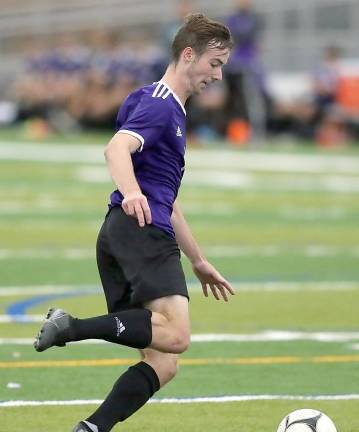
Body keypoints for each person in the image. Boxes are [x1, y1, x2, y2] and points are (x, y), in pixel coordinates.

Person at [33, 13, 235, 432]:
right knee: (177, 337)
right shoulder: (162, 105)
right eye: (214, 64)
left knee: (163, 360)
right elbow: (116, 149)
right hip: (141, 231)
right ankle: (70, 326)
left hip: (120, 234)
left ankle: (91, 428)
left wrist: (197, 260)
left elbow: (170, 201)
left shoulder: (159, 104)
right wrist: (133, 193)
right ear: (188, 54)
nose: (217, 76)